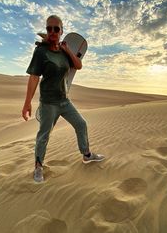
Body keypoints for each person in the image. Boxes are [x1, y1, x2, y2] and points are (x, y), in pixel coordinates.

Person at [22, 15, 105, 182]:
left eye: (56, 29)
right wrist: (27, 103)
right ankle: (38, 166)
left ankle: (87, 155)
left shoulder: (63, 51)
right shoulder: (41, 52)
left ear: (61, 31)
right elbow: (33, 77)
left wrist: (67, 50)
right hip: (48, 103)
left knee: (81, 124)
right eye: (49, 28)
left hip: (64, 101)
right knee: (44, 135)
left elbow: (78, 65)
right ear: (47, 30)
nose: (52, 31)